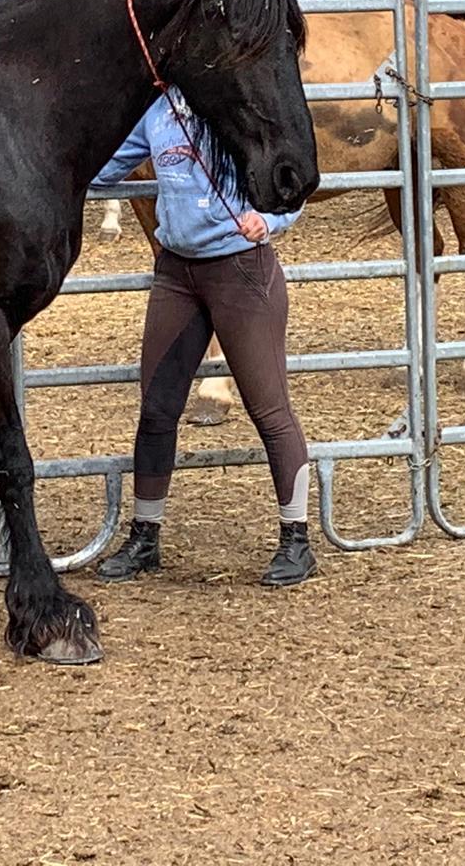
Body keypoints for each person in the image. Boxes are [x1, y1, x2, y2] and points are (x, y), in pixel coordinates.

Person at [90, 90, 315, 588]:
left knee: (269, 408)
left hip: (240, 270)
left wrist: (272, 219)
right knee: (156, 408)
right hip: (177, 273)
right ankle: (145, 535)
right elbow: (107, 164)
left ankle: (296, 538)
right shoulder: (157, 111)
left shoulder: (242, 104)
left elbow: (294, 177)